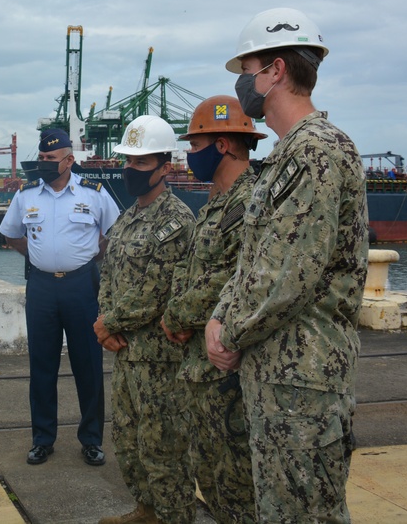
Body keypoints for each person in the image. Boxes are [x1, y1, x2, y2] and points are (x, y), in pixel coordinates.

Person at [206, 7, 368, 523]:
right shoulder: (287, 156)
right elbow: (257, 260)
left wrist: (227, 333)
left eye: (245, 71)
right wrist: (220, 315)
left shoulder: (314, 153)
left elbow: (286, 278)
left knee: (303, 513)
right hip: (281, 375)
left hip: (302, 380)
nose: (241, 86)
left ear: (275, 71)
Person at [160, 95, 265, 523]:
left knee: (238, 487)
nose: (189, 155)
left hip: (230, 371)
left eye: (195, 145)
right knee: (213, 480)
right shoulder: (216, 202)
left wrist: (176, 316)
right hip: (200, 369)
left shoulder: (251, 202)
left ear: (222, 145)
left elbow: (231, 277)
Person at [93, 115, 196, 524]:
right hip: (127, 354)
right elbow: (109, 272)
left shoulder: (177, 221)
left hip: (160, 359)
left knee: (164, 449)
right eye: (128, 162)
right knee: (129, 441)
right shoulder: (129, 216)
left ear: (164, 167)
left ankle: (175, 516)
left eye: (140, 163)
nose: (129, 171)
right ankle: (146, 511)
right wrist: (106, 317)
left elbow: (155, 291)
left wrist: (108, 323)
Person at [0, 128, 119, 467]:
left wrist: (85, 260)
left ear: (69, 160)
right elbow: (12, 236)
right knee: (42, 365)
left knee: (88, 366)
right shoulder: (26, 196)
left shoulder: (94, 194)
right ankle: (42, 439)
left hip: (82, 287)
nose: (44, 164)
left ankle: (91, 440)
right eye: (42, 158)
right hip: (42, 289)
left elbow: (115, 234)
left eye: (51, 159)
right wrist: (38, 258)